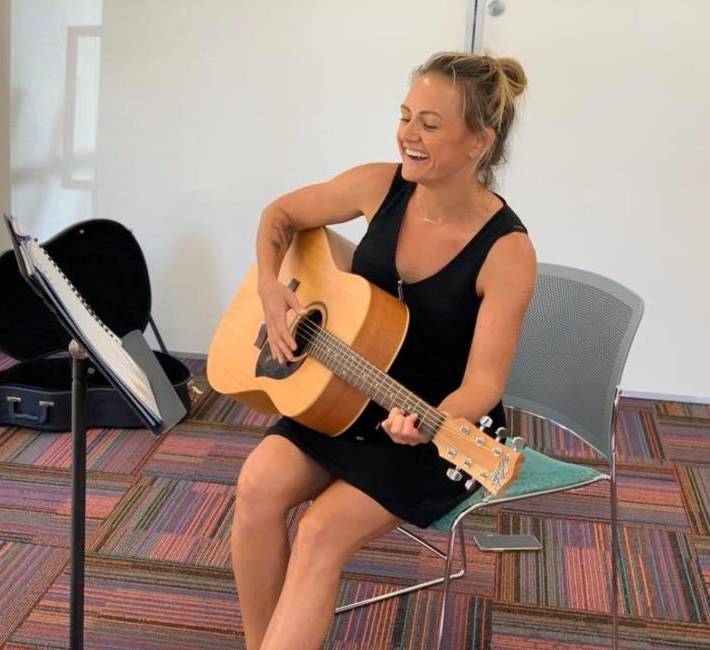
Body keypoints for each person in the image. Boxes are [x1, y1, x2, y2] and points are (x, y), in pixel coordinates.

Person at [230, 51, 536, 650]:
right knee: (257, 485)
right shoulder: (380, 185)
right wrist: (270, 287)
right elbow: (280, 214)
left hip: (433, 431)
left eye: (430, 123)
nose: (408, 135)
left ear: (479, 142)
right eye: (405, 116)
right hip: (343, 399)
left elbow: (484, 383)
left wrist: (433, 421)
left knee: (319, 533)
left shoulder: (507, 252)